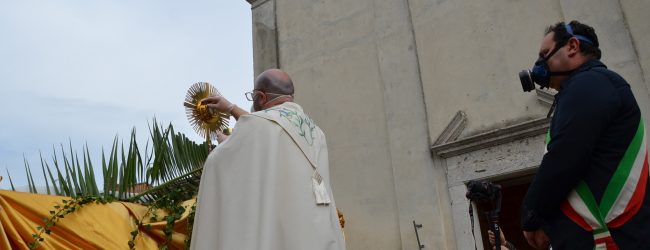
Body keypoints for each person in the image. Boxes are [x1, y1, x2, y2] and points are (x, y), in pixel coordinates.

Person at [521, 21, 650, 249]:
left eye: (545, 54)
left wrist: (532, 214)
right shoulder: (591, 86)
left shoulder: (590, 83)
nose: (539, 64)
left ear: (572, 46)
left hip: (610, 238)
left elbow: (564, 157)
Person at [190, 69, 346, 250]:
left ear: (261, 97)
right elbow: (266, 131)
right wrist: (231, 123)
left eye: (252, 97)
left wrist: (225, 146)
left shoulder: (262, 125)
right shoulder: (317, 132)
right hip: (317, 233)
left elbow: (225, 159)